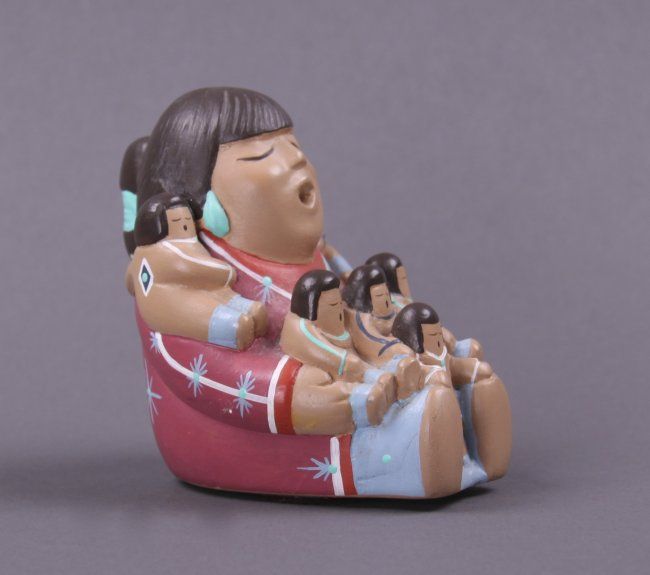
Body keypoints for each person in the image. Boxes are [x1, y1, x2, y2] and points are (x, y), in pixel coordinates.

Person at [126, 192, 267, 349]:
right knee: (235, 323)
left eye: (188, 221)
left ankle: (247, 313)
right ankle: (233, 329)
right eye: (180, 222)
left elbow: (130, 283)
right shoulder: (169, 250)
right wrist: (228, 272)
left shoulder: (139, 255)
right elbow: (197, 267)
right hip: (175, 303)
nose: (186, 226)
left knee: (246, 308)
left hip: (194, 294)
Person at [392, 303, 512, 480]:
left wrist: (473, 368)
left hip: (452, 404)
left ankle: (468, 460)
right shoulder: (415, 361)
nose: (438, 339)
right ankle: (458, 462)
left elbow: (453, 364)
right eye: (432, 336)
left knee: (482, 378)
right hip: (437, 410)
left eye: (438, 333)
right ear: (416, 339)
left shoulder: (441, 354)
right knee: (450, 425)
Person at [366, 252, 484, 359]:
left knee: (470, 347)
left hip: (436, 343)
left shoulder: (400, 301)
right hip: (416, 347)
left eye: (404, 278)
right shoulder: (380, 312)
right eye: (401, 278)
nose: (404, 282)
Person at [341, 265, 422, 399]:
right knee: (404, 357)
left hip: (412, 349)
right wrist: (398, 345)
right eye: (379, 296)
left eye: (386, 294)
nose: (385, 299)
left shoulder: (395, 307)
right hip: (384, 357)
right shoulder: (361, 318)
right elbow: (371, 341)